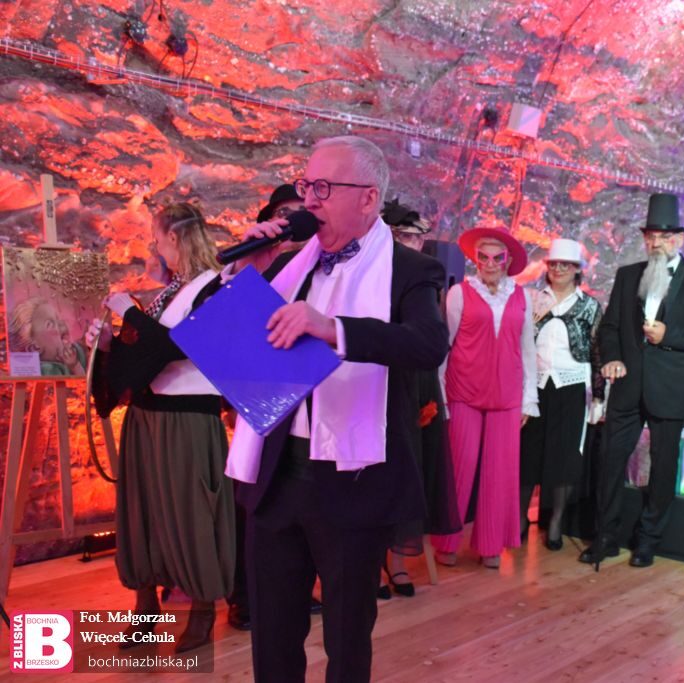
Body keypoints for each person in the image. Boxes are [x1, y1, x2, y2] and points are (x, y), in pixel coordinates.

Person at [225, 136, 448, 683]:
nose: (309, 200)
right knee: (272, 635)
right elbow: (237, 344)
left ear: (368, 198)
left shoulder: (410, 270)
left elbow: (427, 345)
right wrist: (247, 274)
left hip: (352, 481)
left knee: (346, 641)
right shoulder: (289, 265)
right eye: (307, 186)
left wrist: (333, 329)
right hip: (276, 473)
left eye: (324, 188)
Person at [87, 202, 234, 653]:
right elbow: (146, 353)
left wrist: (129, 314)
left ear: (173, 237)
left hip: (187, 419)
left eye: (156, 238)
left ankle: (203, 610)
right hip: (146, 417)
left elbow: (177, 346)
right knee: (143, 514)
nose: (155, 248)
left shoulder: (215, 287)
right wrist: (111, 344)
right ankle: (146, 605)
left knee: (191, 514)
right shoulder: (172, 290)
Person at [580, 193, 684, 569]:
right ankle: (605, 537)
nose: (656, 243)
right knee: (609, 460)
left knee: (662, 467)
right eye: (651, 236)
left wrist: (668, 335)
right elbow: (609, 328)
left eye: (664, 237)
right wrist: (612, 358)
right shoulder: (628, 276)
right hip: (628, 386)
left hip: (669, 390)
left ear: (679, 239)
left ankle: (648, 540)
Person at [226, 184, 322, 631]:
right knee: (253, 508)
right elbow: (229, 334)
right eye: (284, 213)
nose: (292, 221)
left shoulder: (322, 269)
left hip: (309, 417)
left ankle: (300, 589)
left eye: (300, 213)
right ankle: (245, 598)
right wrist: (247, 270)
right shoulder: (263, 267)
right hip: (259, 402)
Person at [431, 226, 538, 569]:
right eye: (483, 257)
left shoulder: (522, 297)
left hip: (507, 394)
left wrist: (529, 399)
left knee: (500, 471)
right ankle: (447, 539)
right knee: (459, 467)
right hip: (463, 390)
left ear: (507, 261)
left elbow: (528, 350)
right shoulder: (459, 294)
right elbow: (445, 345)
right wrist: (440, 392)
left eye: (497, 257)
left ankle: (491, 544)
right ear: (475, 259)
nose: (490, 263)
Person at [376, 198, 461, 599]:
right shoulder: (371, 273)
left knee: (412, 466)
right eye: (403, 235)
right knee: (376, 469)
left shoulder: (426, 274)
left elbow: (435, 336)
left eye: (416, 236)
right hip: (380, 376)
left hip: (419, 380)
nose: (412, 243)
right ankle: (372, 562)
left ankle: (396, 560)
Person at [520, 238, 604, 551]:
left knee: (566, 457)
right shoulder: (532, 300)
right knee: (529, 453)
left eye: (565, 265)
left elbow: (597, 351)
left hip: (572, 386)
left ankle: (555, 522)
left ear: (576, 270)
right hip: (536, 385)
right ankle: (519, 518)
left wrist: (599, 396)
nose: (558, 269)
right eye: (553, 264)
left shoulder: (589, 306)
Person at [9, 297, 87, 375]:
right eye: (50, 324)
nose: (61, 323)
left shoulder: (73, 351)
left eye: (57, 319)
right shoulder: (49, 370)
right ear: (35, 348)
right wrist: (75, 366)